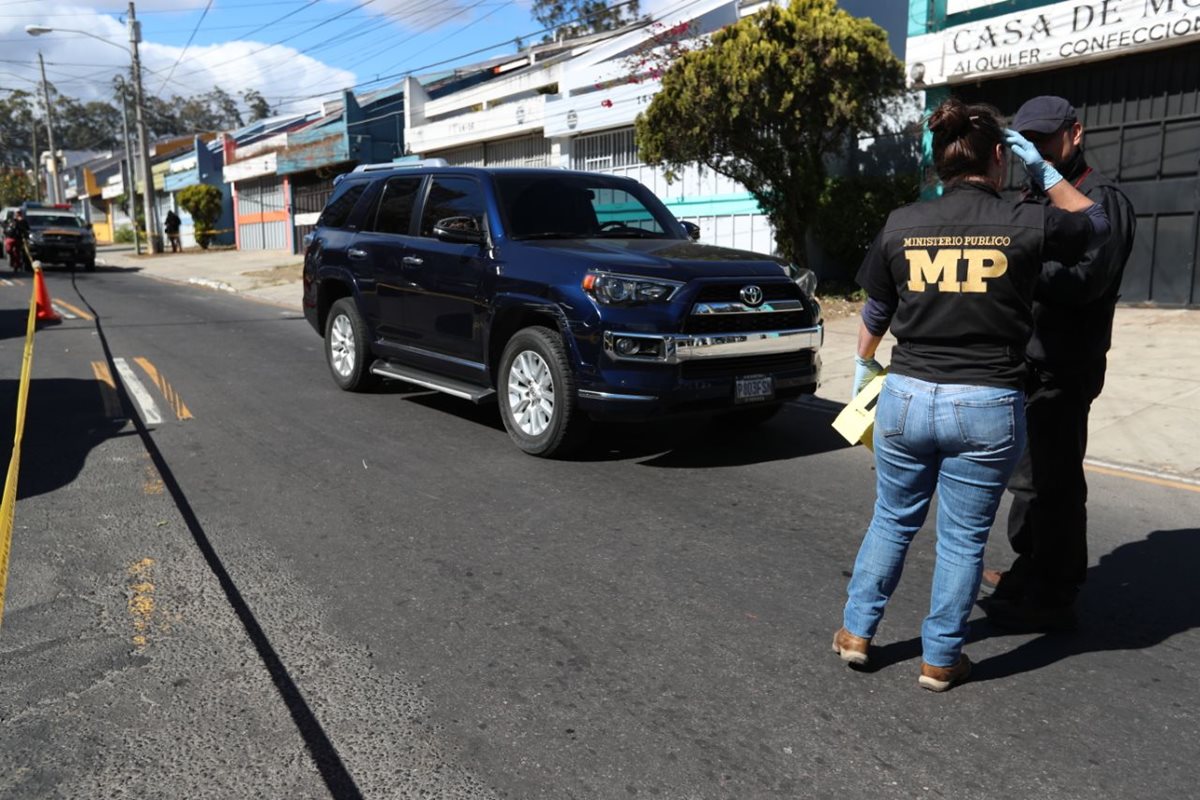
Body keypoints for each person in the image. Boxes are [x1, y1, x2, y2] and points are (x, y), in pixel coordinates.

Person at [831, 97, 1110, 692]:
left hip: (906, 395)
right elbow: (1096, 225)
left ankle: (857, 632)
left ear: (939, 164)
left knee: (891, 519)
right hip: (985, 403)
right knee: (962, 539)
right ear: (1001, 163)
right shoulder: (1027, 219)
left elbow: (877, 306)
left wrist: (862, 366)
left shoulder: (901, 222)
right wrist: (1049, 172)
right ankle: (940, 658)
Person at [978, 97, 1137, 632]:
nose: (1036, 150)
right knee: (1026, 480)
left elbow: (1087, 281)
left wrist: (1016, 270)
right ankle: (1031, 564)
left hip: (1065, 364)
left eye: (1045, 139)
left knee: (1056, 482)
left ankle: (1056, 589)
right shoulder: (1030, 195)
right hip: (1026, 359)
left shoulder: (1099, 199)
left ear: (1075, 134)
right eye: (1027, 140)